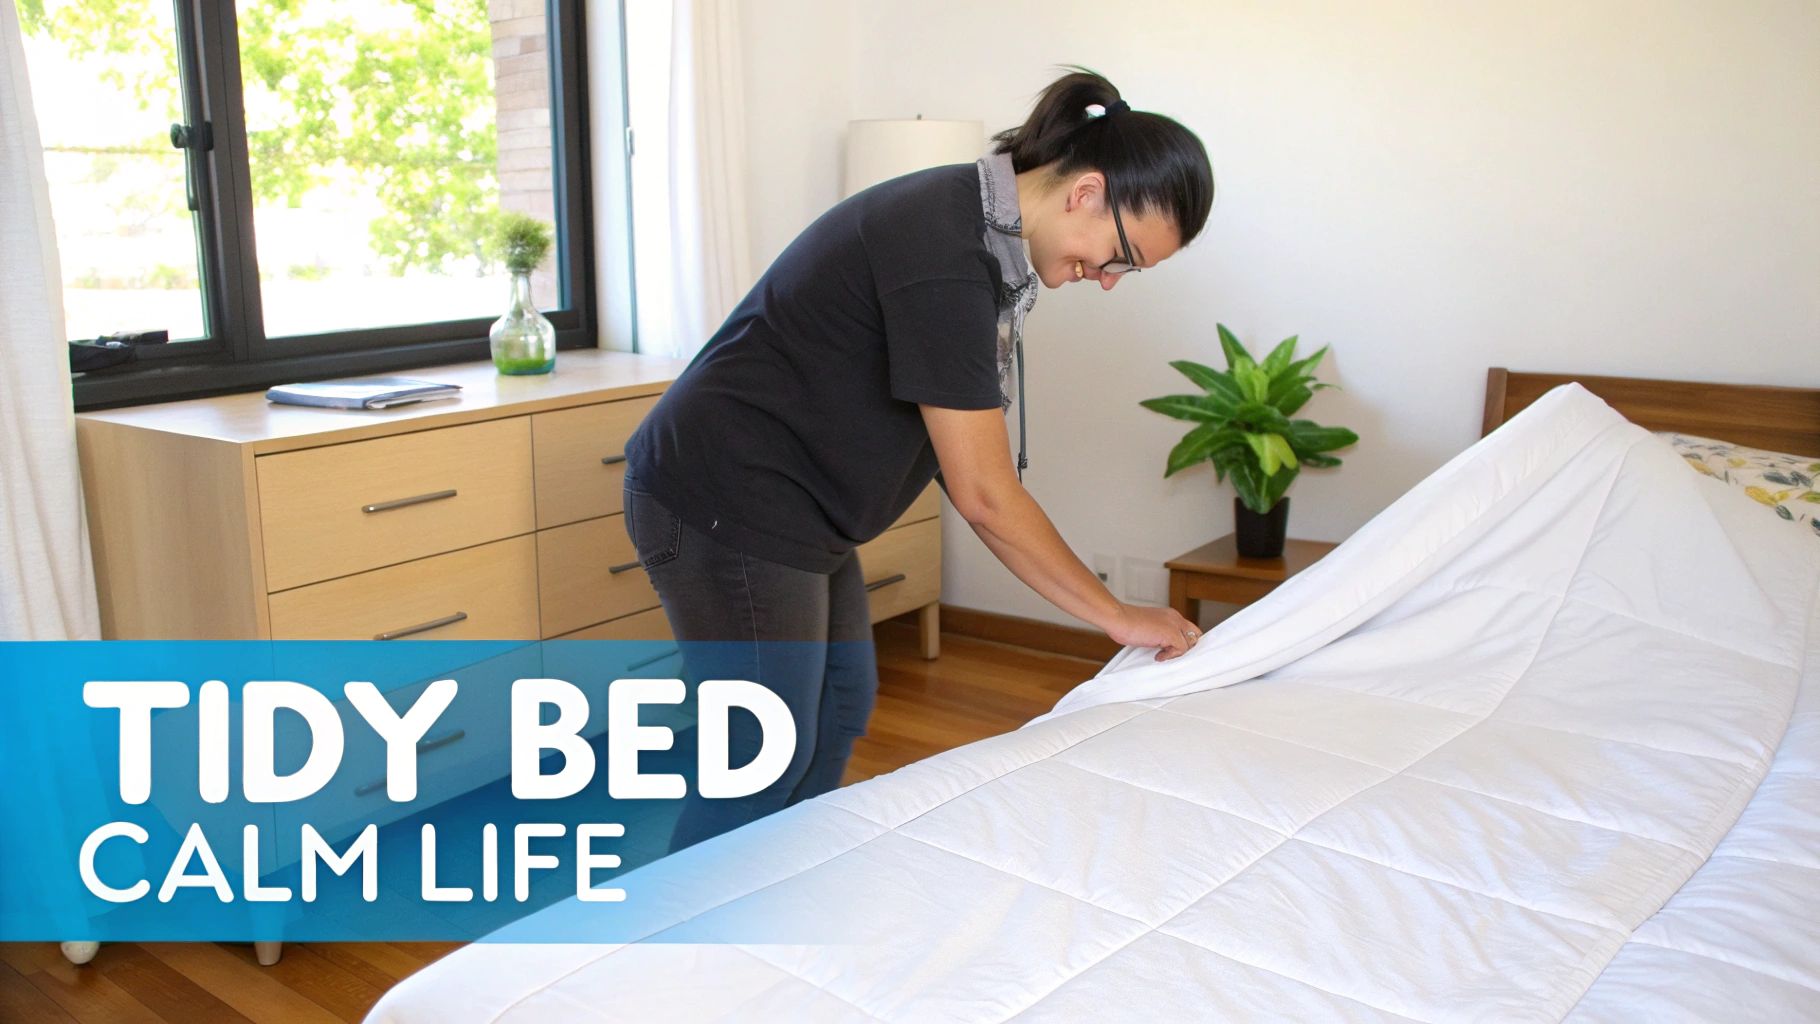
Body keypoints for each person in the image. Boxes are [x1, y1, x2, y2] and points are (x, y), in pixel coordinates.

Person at [623, 68, 1215, 849]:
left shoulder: (987, 238)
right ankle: (678, 950)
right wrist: (1114, 613)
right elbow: (984, 495)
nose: (1108, 281)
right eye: (1121, 256)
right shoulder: (946, 246)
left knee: (836, 710)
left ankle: (770, 889)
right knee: (756, 762)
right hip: (724, 503)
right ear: (1086, 193)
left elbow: (957, 442)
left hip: (797, 506)